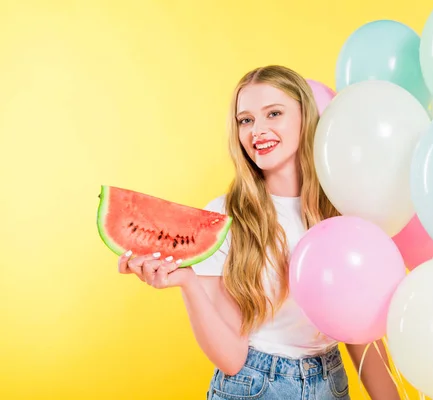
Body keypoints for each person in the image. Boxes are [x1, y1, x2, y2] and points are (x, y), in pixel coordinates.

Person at [117, 65, 401, 400]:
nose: (258, 131)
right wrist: (187, 283)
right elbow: (231, 359)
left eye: (274, 114)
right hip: (253, 386)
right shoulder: (225, 216)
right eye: (246, 120)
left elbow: (359, 331)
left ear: (305, 117)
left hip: (330, 384)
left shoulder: (340, 209)